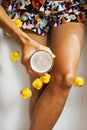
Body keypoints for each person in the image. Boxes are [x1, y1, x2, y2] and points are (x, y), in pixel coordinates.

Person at [0, 0, 87, 130]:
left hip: (70, 5)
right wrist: (24, 41)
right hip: (27, 5)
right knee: (39, 81)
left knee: (66, 78)